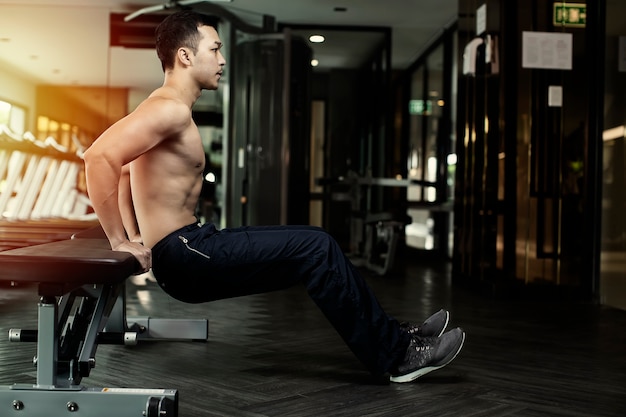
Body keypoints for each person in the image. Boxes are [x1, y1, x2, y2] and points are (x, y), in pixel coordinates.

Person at [83, 10, 465, 383]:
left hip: (187, 248)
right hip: (185, 255)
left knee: (315, 249)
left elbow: (130, 169)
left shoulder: (164, 107)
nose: (222, 59)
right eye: (214, 49)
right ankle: (397, 356)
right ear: (185, 56)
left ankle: (395, 339)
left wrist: (136, 239)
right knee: (316, 246)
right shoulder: (169, 110)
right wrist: (121, 240)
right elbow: (100, 158)